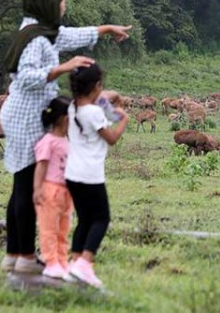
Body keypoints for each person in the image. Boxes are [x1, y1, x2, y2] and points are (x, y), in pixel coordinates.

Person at [0, 0, 131, 274]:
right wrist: (64, 67)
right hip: (24, 114)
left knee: (21, 184)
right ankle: (25, 257)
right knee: (25, 185)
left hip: (29, 112)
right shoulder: (34, 38)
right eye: (61, 0)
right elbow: (26, 77)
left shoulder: (41, 31)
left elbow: (69, 36)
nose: (64, 4)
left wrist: (106, 29)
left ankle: (14, 254)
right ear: (47, 2)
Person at [65, 63, 128, 288]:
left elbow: (104, 96)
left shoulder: (72, 107)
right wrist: (124, 120)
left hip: (72, 174)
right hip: (90, 175)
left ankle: (74, 262)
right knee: (102, 218)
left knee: (84, 219)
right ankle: (86, 262)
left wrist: (111, 95)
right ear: (96, 86)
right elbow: (111, 138)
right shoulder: (94, 112)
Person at [32, 96, 72, 279]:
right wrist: (37, 189)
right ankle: (50, 261)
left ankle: (62, 260)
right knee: (49, 228)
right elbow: (41, 166)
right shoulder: (48, 142)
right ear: (65, 119)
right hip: (50, 191)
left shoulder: (67, 141)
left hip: (66, 193)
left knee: (63, 228)